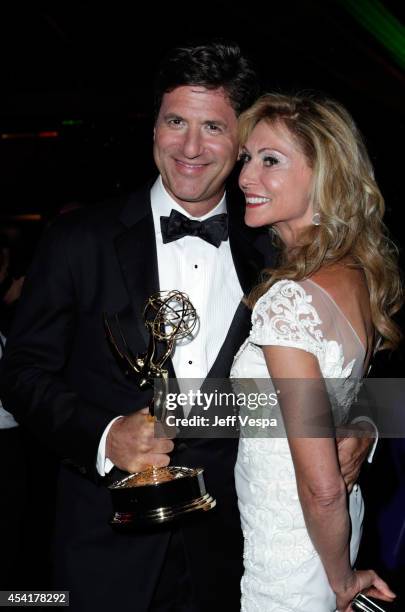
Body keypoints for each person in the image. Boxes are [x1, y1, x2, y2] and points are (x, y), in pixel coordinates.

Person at [0, 44, 373, 611]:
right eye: (176, 121)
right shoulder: (80, 240)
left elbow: (349, 361)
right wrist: (103, 436)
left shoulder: (278, 248)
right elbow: (21, 372)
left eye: (214, 127)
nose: (191, 148)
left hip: (233, 551)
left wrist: (363, 422)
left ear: (240, 138)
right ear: (154, 126)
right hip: (104, 542)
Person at [231, 93, 402, 611]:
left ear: (323, 174)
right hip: (332, 535)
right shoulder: (356, 274)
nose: (244, 177)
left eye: (271, 161)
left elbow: (323, 488)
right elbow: (346, 390)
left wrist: (343, 579)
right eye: (247, 158)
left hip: (298, 559)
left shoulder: (289, 300)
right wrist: (366, 425)